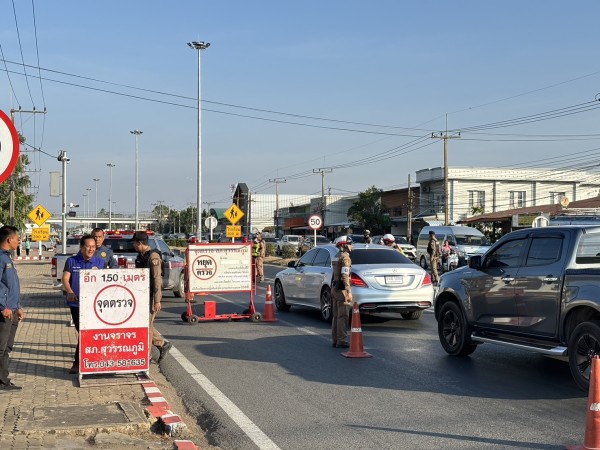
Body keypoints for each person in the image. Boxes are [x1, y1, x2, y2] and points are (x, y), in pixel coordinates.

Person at [62, 235, 105, 374]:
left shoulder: (100, 262)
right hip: (76, 304)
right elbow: (65, 279)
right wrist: (69, 291)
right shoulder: (72, 261)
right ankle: (80, 362)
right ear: (81, 247)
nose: (91, 249)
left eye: (93, 247)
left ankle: (84, 362)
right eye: (88, 246)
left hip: (94, 305)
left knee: (88, 333)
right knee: (83, 332)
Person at [131, 231, 171, 363]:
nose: (133, 246)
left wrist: (157, 300)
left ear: (140, 243)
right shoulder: (141, 256)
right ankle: (162, 344)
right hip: (141, 295)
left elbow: (157, 279)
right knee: (144, 324)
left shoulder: (153, 257)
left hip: (150, 296)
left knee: (146, 326)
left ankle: (146, 356)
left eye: (134, 243)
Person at [0, 226, 24, 390]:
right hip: (4, 310)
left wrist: (18, 306)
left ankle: (3, 380)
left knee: (7, 347)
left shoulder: (7, 257)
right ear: (9, 240)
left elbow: (11, 285)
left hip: (12, 309)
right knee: (0, 348)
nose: (19, 241)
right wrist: (3, 306)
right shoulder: (1, 258)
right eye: (17, 238)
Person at [331, 235, 353, 348]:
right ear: (344, 245)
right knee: (343, 316)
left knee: (336, 316)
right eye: (350, 244)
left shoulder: (336, 256)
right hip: (342, 290)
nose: (351, 246)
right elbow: (345, 275)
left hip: (335, 288)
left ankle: (335, 340)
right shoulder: (345, 258)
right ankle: (342, 340)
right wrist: (348, 291)